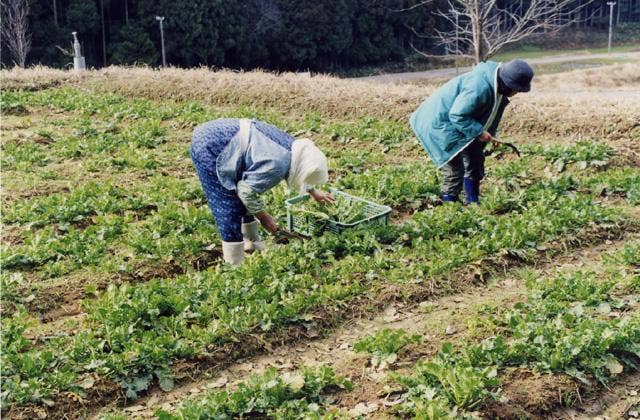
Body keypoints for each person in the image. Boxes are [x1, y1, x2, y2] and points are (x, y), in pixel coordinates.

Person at [190, 118, 334, 265]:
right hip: (212, 147)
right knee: (228, 203)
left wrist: (313, 191)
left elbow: (302, 167)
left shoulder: (292, 147)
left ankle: (252, 244)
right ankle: (233, 263)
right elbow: (246, 192)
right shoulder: (277, 165)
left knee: (243, 197)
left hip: (222, 133)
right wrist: (264, 217)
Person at [410, 59, 534, 204]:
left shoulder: (496, 85)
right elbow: (457, 115)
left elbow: (487, 116)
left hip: (459, 123)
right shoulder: (479, 87)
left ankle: (473, 202)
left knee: (475, 159)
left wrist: (488, 135)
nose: (517, 92)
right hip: (438, 124)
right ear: (507, 83)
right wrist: (479, 132)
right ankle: (449, 208)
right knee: (455, 171)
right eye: (517, 89)